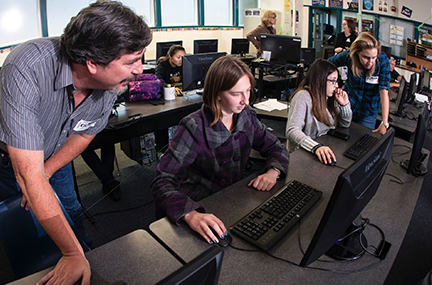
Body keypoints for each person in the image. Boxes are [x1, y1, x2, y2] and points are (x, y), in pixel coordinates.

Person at [0, 1, 152, 284]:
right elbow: (27, 173)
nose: (139, 70)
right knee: (22, 229)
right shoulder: (27, 67)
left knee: (70, 211)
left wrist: (47, 170)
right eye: (131, 61)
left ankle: (84, 257)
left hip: (53, 156)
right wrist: (69, 253)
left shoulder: (108, 83)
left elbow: (84, 133)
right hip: (10, 161)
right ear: (92, 63)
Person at [151, 56, 289, 245]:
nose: (246, 101)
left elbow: (275, 146)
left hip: (234, 199)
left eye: (248, 91)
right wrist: (191, 215)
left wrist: (273, 171)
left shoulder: (246, 115)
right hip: (203, 204)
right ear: (217, 94)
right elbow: (163, 181)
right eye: (236, 94)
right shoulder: (194, 126)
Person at [286, 59, 352, 164]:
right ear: (320, 79)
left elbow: (345, 124)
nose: (336, 86)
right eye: (333, 81)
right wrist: (315, 147)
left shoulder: (328, 98)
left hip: (323, 147)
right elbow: (292, 131)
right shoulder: (303, 96)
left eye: (337, 81)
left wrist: (344, 105)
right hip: (304, 153)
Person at [328, 32, 390, 135]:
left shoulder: (382, 60)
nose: (370, 62)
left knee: (361, 141)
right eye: (366, 57)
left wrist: (384, 122)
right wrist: (334, 82)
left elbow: (384, 91)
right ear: (357, 53)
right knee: (340, 137)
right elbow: (327, 65)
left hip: (368, 112)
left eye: (373, 57)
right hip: (347, 105)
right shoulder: (349, 56)